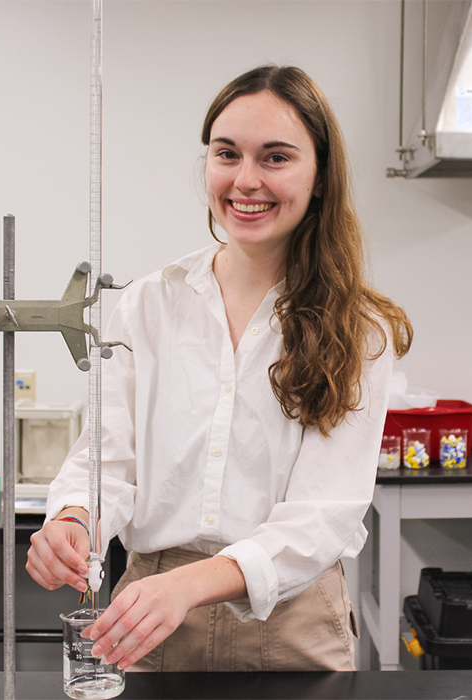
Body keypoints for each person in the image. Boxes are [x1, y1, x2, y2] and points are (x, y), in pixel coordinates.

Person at [26, 65, 412, 673]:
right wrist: (74, 517)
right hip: (145, 613)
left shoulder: (358, 329)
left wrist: (192, 584)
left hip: (290, 619)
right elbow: (106, 457)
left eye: (276, 157)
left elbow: (324, 514)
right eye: (226, 154)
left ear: (320, 177)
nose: (246, 180)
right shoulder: (148, 303)